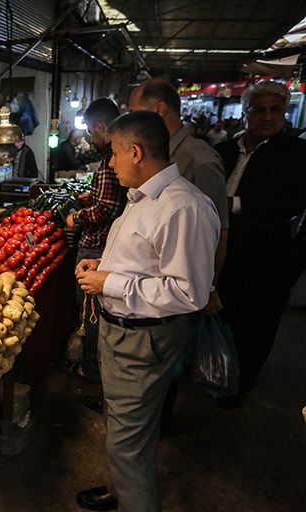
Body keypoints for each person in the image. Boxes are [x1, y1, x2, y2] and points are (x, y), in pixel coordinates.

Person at [75, 111, 220, 512]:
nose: (109, 163)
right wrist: (101, 270)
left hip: (142, 339)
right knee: (127, 430)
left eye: (114, 154)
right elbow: (143, 262)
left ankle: (134, 500)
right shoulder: (141, 197)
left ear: (136, 152)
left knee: (128, 440)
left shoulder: (181, 208)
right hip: (121, 332)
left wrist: (110, 284)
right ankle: (121, 489)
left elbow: (189, 292)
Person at [129, 78, 229, 430]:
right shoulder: (164, 154)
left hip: (173, 295)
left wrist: (210, 288)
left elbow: (219, 229)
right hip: (154, 291)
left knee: (166, 369)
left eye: (134, 113)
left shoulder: (198, 159)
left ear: (158, 111)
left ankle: (157, 426)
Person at [213, 81, 306, 404]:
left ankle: (240, 383)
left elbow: (293, 200)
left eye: (275, 110)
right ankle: (215, 370)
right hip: (223, 246)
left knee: (257, 320)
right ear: (246, 112)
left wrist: (233, 204)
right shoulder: (224, 150)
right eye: (260, 110)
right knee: (222, 311)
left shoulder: (295, 154)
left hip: (267, 249)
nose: (268, 117)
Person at [66, 98, 128, 383]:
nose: (91, 137)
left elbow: (108, 207)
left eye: (91, 131)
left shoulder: (109, 160)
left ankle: (90, 370)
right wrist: (89, 198)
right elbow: (108, 199)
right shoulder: (114, 158)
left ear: (100, 126)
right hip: (104, 246)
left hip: (96, 245)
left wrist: (76, 218)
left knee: (90, 310)